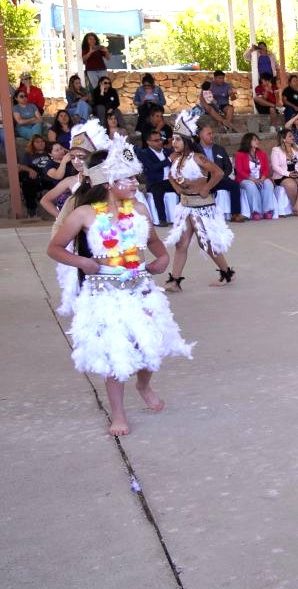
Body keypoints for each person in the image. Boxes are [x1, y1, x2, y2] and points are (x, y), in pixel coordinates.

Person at [46, 140, 191, 436]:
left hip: (140, 287)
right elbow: (55, 248)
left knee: (150, 345)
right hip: (105, 292)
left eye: (135, 177)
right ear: (110, 182)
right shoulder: (84, 213)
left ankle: (144, 384)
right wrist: (82, 262)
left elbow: (154, 245)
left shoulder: (139, 209)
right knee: (117, 353)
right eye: (128, 178)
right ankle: (119, 414)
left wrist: (162, 259)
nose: (135, 183)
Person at [163, 131, 236, 290]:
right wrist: (178, 189)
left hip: (201, 205)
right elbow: (170, 176)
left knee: (206, 243)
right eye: (173, 139)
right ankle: (175, 281)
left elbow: (218, 172)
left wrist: (207, 188)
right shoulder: (176, 158)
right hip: (185, 206)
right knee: (181, 244)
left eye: (177, 139)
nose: (173, 142)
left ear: (187, 141)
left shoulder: (198, 157)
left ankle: (227, 273)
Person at [195, 121, 246, 222]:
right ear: (200, 135)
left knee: (234, 185)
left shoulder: (219, 149)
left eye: (212, 133)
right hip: (203, 179)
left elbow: (228, 167)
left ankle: (235, 214)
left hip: (219, 178)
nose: (212, 136)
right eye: (208, 134)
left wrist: (221, 176)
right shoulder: (194, 149)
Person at [234, 133, 275, 220]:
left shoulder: (262, 154)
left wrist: (263, 178)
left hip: (260, 178)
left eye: (257, 139)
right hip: (245, 179)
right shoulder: (239, 154)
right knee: (250, 185)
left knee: (268, 183)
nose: (257, 141)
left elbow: (266, 169)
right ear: (248, 141)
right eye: (254, 140)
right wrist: (253, 179)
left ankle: (267, 210)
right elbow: (239, 171)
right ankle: (256, 211)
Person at [135, 129, 173, 226]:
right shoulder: (144, 153)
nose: (160, 142)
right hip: (156, 181)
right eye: (156, 140)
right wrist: (169, 160)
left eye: (160, 139)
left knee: (184, 188)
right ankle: (162, 219)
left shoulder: (168, 151)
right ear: (148, 142)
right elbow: (153, 168)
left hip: (171, 180)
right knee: (158, 191)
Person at [270, 130, 298, 217]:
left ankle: (296, 206)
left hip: (297, 173)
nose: (293, 137)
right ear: (283, 139)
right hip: (283, 175)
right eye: (290, 136)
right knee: (291, 185)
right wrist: (288, 174)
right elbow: (275, 166)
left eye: (292, 135)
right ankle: (295, 207)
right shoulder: (276, 150)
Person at [17, 136, 57, 217]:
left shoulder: (50, 152)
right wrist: (30, 170)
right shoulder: (29, 155)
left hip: (50, 178)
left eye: (42, 141)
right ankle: (32, 210)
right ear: (32, 144)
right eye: (37, 142)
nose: (41, 143)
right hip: (35, 178)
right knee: (25, 179)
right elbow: (21, 166)